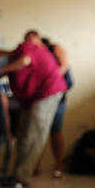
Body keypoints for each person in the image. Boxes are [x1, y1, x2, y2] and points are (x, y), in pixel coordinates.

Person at [0, 31, 67, 187]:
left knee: (35, 134)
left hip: (48, 91)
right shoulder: (13, 68)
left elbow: (26, 60)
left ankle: (22, 178)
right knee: (23, 136)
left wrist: (1, 70)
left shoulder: (24, 48)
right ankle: (16, 174)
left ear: (0, 56)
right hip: (32, 98)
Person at [35, 35, 72, 178]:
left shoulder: (55, 50)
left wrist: (50, 85)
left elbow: (64, 72)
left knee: (55, 130)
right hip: (39, 97)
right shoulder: (33, 55)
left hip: (56, 96)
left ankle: (58, 165)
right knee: (38, 131)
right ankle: (35, 164)